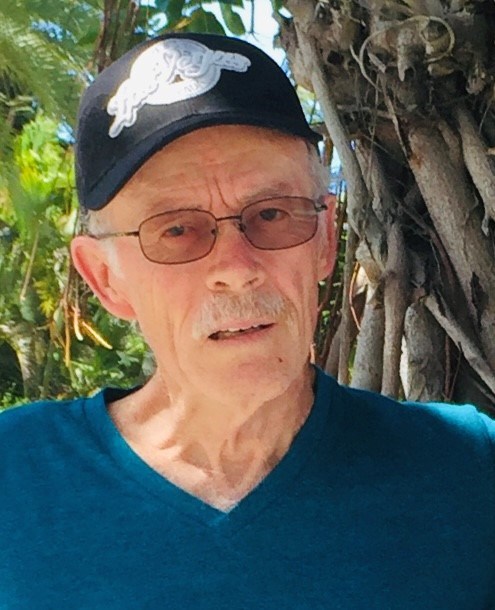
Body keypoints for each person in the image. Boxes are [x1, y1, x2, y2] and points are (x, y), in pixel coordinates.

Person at [1, 32, 494, 610]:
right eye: (176, 229)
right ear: (105, 278)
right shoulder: (15, 478)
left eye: (272, 214)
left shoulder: (468, 473)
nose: (236, 270)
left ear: (325, 240)